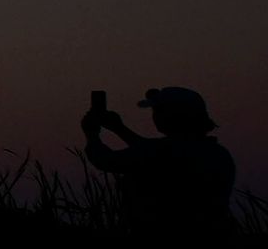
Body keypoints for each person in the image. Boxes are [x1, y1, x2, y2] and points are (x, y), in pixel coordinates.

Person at [82, 87, 235, 237]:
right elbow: (149, 151)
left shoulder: (160, 151)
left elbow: (106, 160)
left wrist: (92, 135)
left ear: (172, 116)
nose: (155, 116)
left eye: (158, 111)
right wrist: (119, 128)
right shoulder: (218, 153)